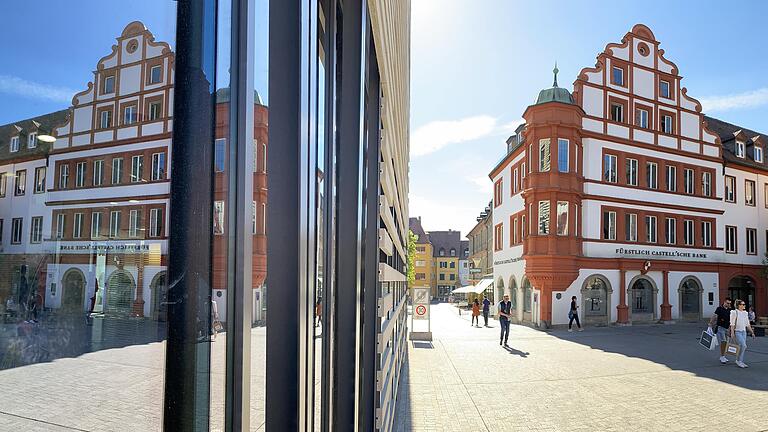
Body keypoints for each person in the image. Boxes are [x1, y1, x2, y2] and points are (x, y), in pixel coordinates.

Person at [730, 299, 756, 368]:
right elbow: (732, 324)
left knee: (741, 346)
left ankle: (739, 360)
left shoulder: (745, 313)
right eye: (743, 304)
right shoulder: (734, 312)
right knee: (744, 346)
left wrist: (752, 332)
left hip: (743, 332)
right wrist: (732, 333)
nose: (744, 305)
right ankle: (739, 361)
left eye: (744, 304)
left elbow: (747, 324)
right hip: (737, 331)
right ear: (739, 305)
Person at [708, 297, 732, 364]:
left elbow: (731, 319)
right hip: (720, 327)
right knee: (723, 341)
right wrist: (710, 323)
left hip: (727, 328)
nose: (728, 304)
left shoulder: (730, 310)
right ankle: (722, 356)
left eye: (729, 303)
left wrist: (731, 328)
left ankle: (723, 356)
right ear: (724, 302)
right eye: (727, 303)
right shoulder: (719, 309)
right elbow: (714, 316)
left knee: (726, 342)